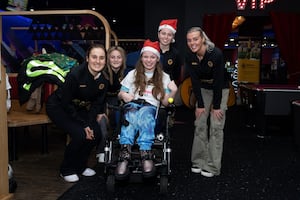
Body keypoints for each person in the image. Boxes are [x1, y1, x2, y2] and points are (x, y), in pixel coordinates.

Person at [46, 43, 109, 183]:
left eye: (101, 58)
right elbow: (66, 103)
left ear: (105, 60)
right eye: (94, 57)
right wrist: (83, 125)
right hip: (59, 106)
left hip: (78, 109)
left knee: (96, 133)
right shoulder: (75, 75)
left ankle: (81, 166)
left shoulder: (103, 81)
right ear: (87, 58)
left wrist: (88, 123)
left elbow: (96, 105)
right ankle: (66, 169)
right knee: (80, 134)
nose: (97, 61)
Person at [115, 39, 178, 180]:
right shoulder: (132, 74)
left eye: (152, 57)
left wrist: (173, 92)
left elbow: (166, 103)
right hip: (133, 103)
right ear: (141, 58)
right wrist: (123, 95)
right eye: (146, 56)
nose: (149, 60)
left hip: (150, 107)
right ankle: (125, 155)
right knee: (130, 114)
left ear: (157, 59)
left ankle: (145, 152)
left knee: (144, 114)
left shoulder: (164, 77)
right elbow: (120, 92)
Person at [185, 27, 229, 177]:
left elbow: (218, 81)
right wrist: (201, 105)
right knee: (200, 123)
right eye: (189, 40)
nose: (192, 43)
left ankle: (212, 166)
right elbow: (195, 81)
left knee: (216, 126)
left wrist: (216, 107)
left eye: (195, 39)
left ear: (202, 38)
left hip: (220, 89)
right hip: (203, 88)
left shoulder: (215, 54)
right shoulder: (189, 56)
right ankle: (199, 161)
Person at [95, 45, 127, 163]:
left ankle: (116, 148)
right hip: (101, 102)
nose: (116, 60)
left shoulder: (125, 72)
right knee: (102, 124)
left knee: (121, 118)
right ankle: (101, 151)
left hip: (116, 100)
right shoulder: (102, 73)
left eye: (119, 57)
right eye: (112, 57)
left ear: (123, 59)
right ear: (108, 59)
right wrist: (100, 112)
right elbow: (98, 96)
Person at [157, 18, 183, 86]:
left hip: (167, 89)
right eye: (163, 33)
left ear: (173, 37)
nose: (166, 37)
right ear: (158, 34)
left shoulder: (176, 54)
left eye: (169, 35)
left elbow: (176, 76)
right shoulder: (150, 50)